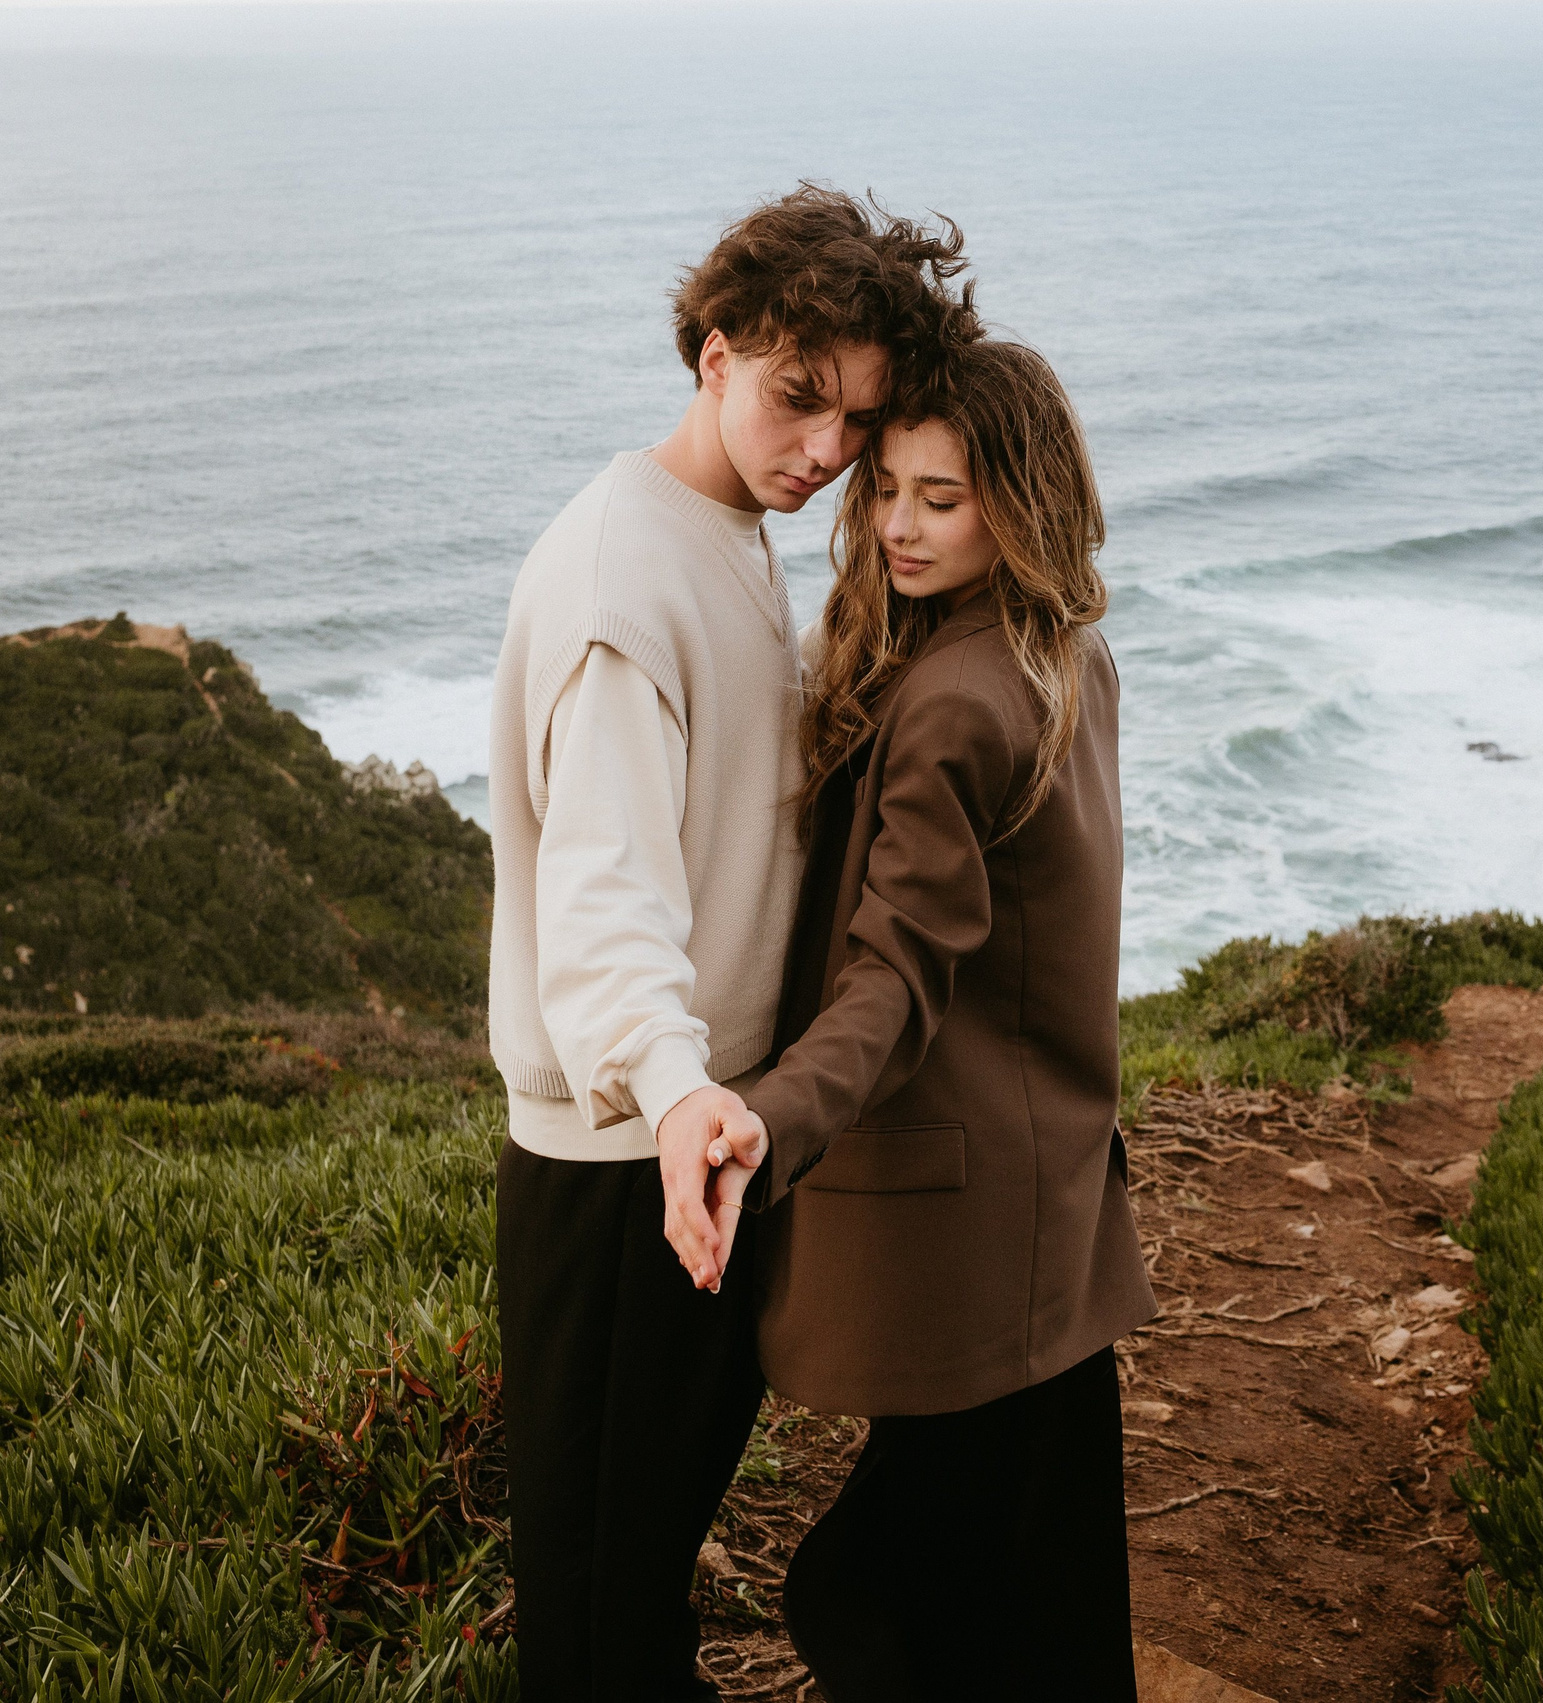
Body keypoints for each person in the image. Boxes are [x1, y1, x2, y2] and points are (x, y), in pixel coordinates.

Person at [485, 184, 970, 1701]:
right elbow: (607, 894)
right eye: (795, 398)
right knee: (597, 1601)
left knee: (639, 1575)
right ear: (712, 352)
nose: (825, 452)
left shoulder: (724, 525)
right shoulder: (625, 586)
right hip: (633, 1162)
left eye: (855, 420)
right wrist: (682, 1088)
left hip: (704, 1138)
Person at [660, 336, 1156, 1700]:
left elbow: (896, 971)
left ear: (1021, 497)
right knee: (1045, 1597)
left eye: (943, 498)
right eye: (887, 488)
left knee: (883, 1602)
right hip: (1048, 1187)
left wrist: (768, 1116)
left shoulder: (951, 702)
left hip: (965, 1222)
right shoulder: (1058, 654)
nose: (895, 525)